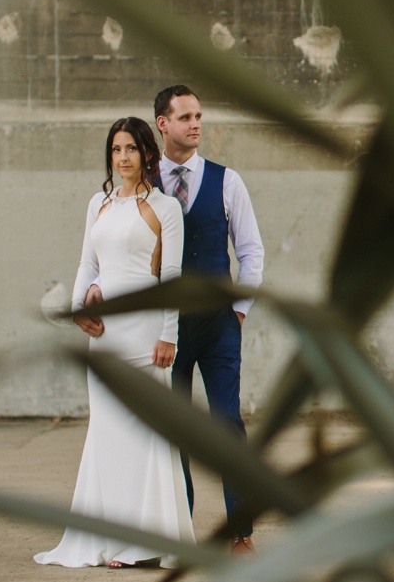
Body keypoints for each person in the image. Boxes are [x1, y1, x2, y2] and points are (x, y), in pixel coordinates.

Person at [88, 85, 265, 555]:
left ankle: (240, 531)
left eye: (199, 116)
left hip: (219, 326)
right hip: (163, 329)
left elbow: (250, 251)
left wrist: (240, 312)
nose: (196, 124)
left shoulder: (228, 181)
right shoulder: (142, 189)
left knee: (227, 424)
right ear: (162, 124)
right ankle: (180, 530)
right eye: (185, 117)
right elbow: (114, 250)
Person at [36, 117, 194, 569]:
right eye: (116, 149)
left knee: (145, 433)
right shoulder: (98, 204)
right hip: (104, 337)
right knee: (108, 433)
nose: (123, 157)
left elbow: (171, 278)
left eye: (131, 149)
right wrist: (78, 306)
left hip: (145, 334)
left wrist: (169, 335)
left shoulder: (165, 208)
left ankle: (145, 542)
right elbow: (87, 263)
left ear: (148, 153)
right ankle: (108, 535)